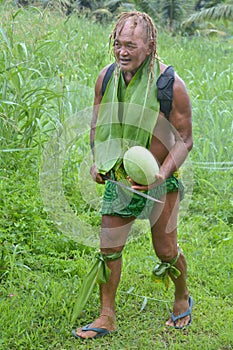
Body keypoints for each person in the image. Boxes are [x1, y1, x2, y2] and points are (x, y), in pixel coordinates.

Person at [72, 11, 193, 339]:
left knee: (166, 251)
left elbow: (184, 139)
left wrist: (161, 172)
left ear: (150, 45)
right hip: (120, 178)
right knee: (108, 248)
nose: (122, 51)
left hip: (160, 180)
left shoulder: (171, 84)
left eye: (131, 45)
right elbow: (97, 122)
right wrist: (98, 160)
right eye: (118, 43)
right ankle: (106, 316)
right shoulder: (106, 78)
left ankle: (182, 296)